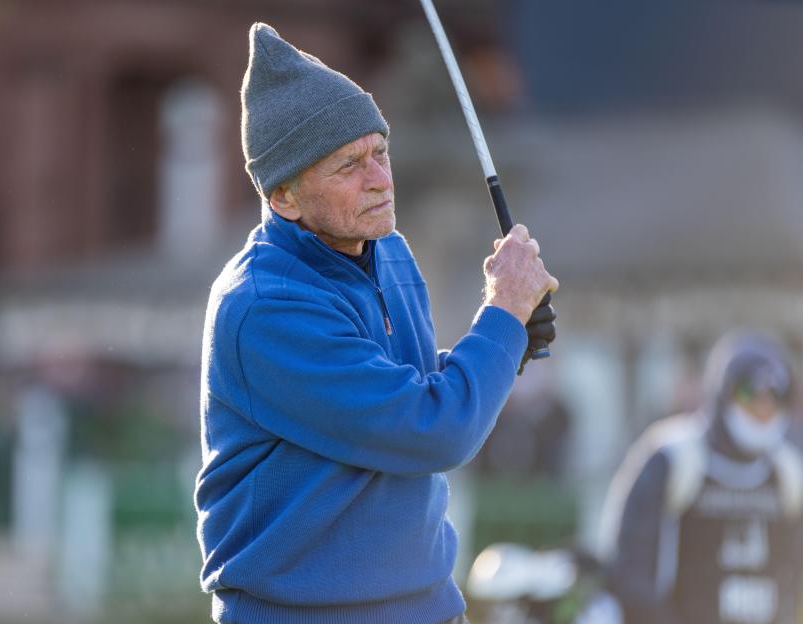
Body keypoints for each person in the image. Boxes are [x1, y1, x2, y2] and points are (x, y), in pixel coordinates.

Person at [194, 22, 558, 624]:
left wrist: (507, 340)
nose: (380, 180)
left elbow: (401, 393)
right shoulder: (263, 306)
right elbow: (430, 428)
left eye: (380, 152)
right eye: (348, 165)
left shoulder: (388, 250)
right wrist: (501, 316)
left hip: (426, 607)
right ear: (282, 195)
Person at [599, 331, 803, 624]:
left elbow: (791, 578)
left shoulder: (788, 471)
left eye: (775, 396)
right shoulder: (673, 457)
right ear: (722, 391)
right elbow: (631, 572)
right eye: (750, 394)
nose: (763, 409)